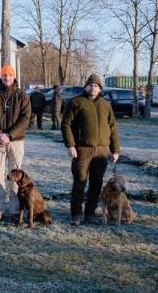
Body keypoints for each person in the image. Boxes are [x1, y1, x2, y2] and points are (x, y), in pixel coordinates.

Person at [61, 74, 120, 226]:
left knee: (96, 183)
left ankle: (90, 213)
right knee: (79, 182)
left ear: (100, 88)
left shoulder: (106, 105)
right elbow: (66, 124)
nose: (93, 88)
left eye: (96, 85)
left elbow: (112, 127)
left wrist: (115, 150)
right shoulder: (76, 102)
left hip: (101, 151)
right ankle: (76, 214)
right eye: (90, 85)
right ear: (85, 86)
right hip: (81, 149)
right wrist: (70, 145)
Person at [0, 65, 32, 223]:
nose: (7, 78)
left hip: (16, 142)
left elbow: (25, 119)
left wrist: (10, 135)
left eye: (10, 75)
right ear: (1, 76)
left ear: (14, 77)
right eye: (4, 75)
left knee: (15, 179)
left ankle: (16, 211)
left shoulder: (22, 95)